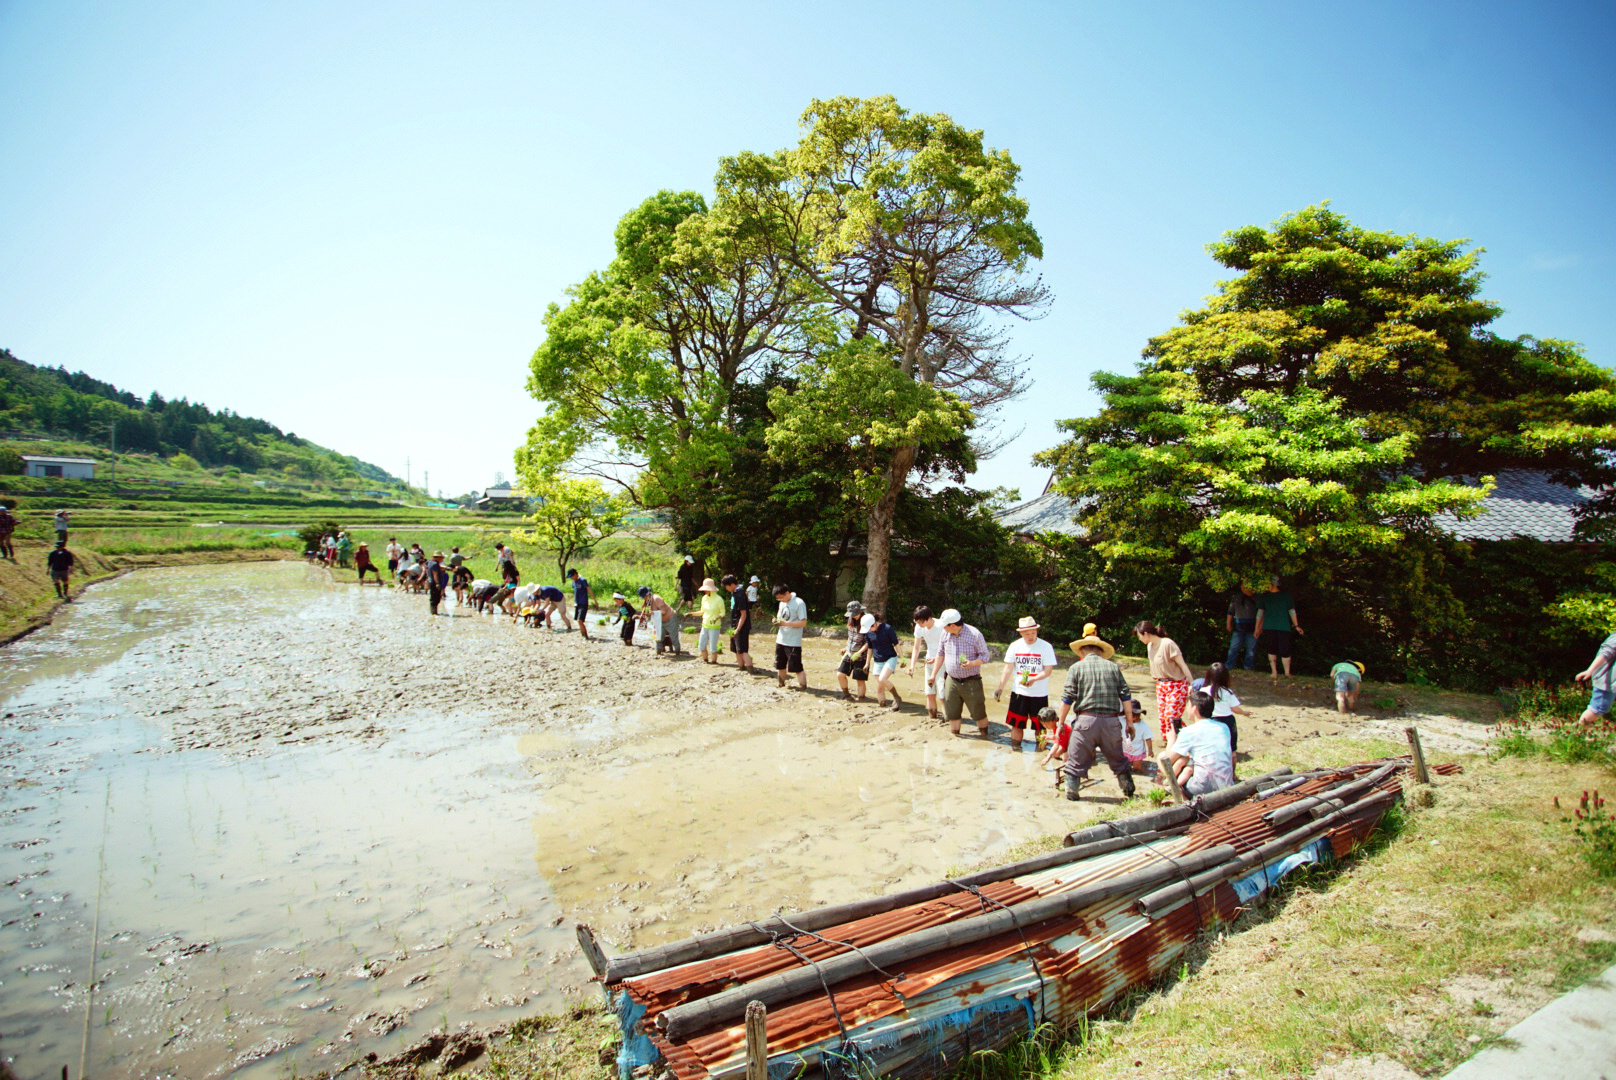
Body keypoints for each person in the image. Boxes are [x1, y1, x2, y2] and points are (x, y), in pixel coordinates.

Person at [1054, 624, 1136, 800]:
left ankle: (1072, 791)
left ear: (1082, 651)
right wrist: (1129, 723)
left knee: (1075, 760)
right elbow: (1126, 697)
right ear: (1100, 651)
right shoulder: (1113, 668)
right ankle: (1128, 789)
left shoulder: (1076, 668)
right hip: (1111, 723)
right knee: (1119, 760)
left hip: (1086, 722)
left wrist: (1060, 723)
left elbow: (1067, 699)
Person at [995, 616, 1058, 753]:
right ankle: (1016, 750)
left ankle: (1040, 749)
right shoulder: (1015, 646)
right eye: (1027, 633)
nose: (1031, 636)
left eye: (1033, 633)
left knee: (1040, 725)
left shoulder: (1046, 647)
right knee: (1016, 724)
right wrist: (1000, 688)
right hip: (1019, 693)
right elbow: (1008, 668)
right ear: (1021, 633)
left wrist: (1034, 679)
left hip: (1039, 693)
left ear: (1036, 631)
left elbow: (1048, 671)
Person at [931, 608, 992, 738]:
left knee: (978, 712)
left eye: (945, 626)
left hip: (971, 680)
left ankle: (985, 737)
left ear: (953, 626)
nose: (943, 629)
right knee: (952, 713)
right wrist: (933, 674)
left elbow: (985, 656)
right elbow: (940, 654)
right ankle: (956, 737)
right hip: (951, 679)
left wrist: (972, 663)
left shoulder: (975, 634)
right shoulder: (945, 634)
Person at [1163, 690, 1236, 796]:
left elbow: (1168, 761)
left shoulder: (1189, 731)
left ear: (1195, 708)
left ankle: (1179, 793)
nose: (1186, 709)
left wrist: (1171, 740)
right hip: (1227, 785)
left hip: (1200, 789)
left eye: (1188, 706)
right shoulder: (1224, 727)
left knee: (1164, 757)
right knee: (1188, 759)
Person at [1136, 621, 1193, 746]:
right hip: (1161, 685)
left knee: (1171, 715)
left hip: (1176, 684)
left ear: (1145, 634)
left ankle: (1185, 738)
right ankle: (1171, 739)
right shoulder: (1149, 646)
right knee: (1163, 717)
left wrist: (1191, 684)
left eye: (1139, 636)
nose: (1139, 639)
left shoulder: (1168, 644)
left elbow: (1182, 664)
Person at [1254, 577, 1304, 683]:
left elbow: (1292, 611)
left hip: (1283, 626)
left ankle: (1287, 673)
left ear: (1273, 584)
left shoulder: (1285, 596)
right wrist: (1257, 628)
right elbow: (1260, 612)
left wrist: (1296, 625)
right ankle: (1274, 672)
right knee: (1271, 648)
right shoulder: (1264, 596)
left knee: (1285, 649)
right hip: (1268, 626)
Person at [1194, 662, 1252, 753]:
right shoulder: (1228, 692)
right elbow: (1235, 709)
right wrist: (1244, 713)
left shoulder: (1204, 691)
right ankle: (1232, 756)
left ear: (1208, 676)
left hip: (1211, 720)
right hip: (1228, 720)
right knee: (1230, 744)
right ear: (1226, 677)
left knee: (1210, 742)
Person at [907, 606, 948, 719]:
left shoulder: (942, 626)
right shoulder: (919, 627)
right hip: (929, 662)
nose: (919, 624)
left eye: (921, 622)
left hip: (943, 662)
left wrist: (936, 658)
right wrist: (912, 665)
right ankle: (932, 717)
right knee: (929, 693)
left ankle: (948, 718)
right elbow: (916, 647)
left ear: (929, 618)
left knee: (942, 694)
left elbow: (949, 647)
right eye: (917, 622)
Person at [772, 583, 808, 689]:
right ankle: (781, 684)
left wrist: (786, 624)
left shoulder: (799, 603)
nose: (781, 600)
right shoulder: (782, 603)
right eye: (778, 599)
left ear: (787, 593)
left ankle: (803, 687)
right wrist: (776, 621)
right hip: (781, 639)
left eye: (781, 597)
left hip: (793, 642)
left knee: (797, 667)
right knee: (780, 665)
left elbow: (803, 623)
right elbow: (780, 618)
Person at [1575, 634, 1616, 727]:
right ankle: (1579, 732)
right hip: (1607, 682)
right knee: (1597, 708)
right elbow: (1605, 654)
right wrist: (1590, 670)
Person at [864, 612, 903, 710]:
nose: (869, 630)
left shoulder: (887, 628)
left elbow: (896, 644)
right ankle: (882, 705)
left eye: (870, 628)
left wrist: (903, 658)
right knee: (880, 687)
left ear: (874, 624)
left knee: (882, 679)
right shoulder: (868, 633)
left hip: (890, 658)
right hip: (878, 661)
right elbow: (870, 648)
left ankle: (897, 697)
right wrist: (867, 663)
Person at [837, 601, 870, 701]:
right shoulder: (850, 620)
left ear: (861, 612)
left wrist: (859, 653)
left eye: (855, 614)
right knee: (840, 675)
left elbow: (869, 643)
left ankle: (861, 699)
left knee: (860, 680)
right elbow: (850, 637)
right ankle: (847, 695)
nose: (854, 616)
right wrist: (846, 648)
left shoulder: (867, 622)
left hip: (862, 656)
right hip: (849, 653)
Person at [638, 586, 681, 655]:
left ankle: (677, 653)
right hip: (660, 620)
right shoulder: (648, 601)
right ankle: (658, 652)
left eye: (644, 597)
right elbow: (645, 610)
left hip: (670, 618)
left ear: (648, 594)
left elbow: (663, 611)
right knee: (658, 637)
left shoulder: (657, 599)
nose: (644, 598)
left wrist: (652, 613)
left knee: (673, 637)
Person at [1225, 583, 1259, 671]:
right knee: (1234, 647)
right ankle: (1229, 666)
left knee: (1251, 649)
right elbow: (1230, 611)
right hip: (1239, 626)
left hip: (1252, 626)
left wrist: (1259, 627)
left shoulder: (1257, 597)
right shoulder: (1236, 597)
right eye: (1243, 586)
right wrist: (1228, 623)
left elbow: (1261, 612)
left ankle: (1248, 667)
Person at [724, 574, 754, 672]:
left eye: (726, 586)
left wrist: (738, 629)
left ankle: (750, 669)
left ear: (732, 584)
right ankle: (741, 667)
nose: (726, 589)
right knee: (736, 649)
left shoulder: (740, 595)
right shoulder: (734, 593)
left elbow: (744, 614)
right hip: (734, 625)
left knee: (742, 649)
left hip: (741, 626)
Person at [694, 577, 725, 663]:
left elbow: (722, 613)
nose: (705, 591)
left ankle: (714, 663)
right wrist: (691, 613)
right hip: (705, 625)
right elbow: (702, 611)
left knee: (713, 647)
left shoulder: (719, 599)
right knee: (701, 645)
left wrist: (716, 618)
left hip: (714, 626)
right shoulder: (704, 598)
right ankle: (705, 661)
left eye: (706, 589)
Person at [567, 568, 594, 640]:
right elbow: (576, 592)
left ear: (576, 574)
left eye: (571, 576)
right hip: (577, 603)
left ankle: (586, 636)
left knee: (580, 620)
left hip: (583, 603)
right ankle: (583, 635)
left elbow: (588, 589)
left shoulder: (582, 580)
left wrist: (594, 600)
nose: (571, 578)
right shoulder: (574, 582)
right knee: (578, 621)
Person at [423, 551, 450, 615]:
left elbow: (436, 568)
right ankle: (434, 612)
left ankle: (433, 612)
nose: (442, 560)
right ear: (438, 558)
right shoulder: (435, 564)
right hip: (435, 583)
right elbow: (435, 574)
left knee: (433, 597)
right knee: (436, 598)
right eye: (441, 558)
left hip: (431, 582)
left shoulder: (429, 562)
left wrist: (445, 568)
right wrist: (437, 583)